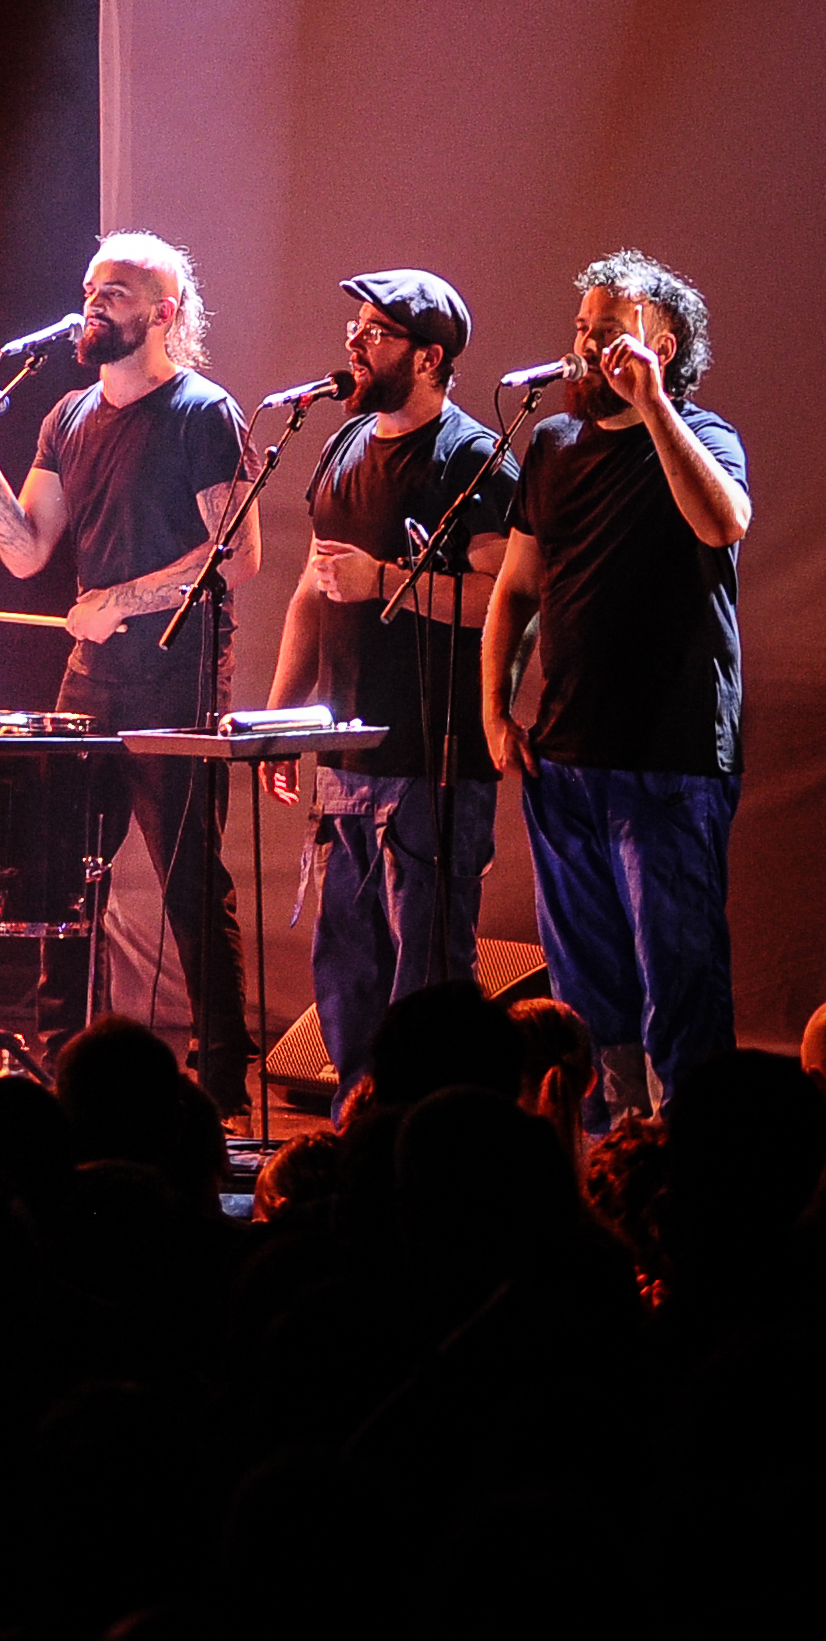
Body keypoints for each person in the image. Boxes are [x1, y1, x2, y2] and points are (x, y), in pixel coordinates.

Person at [0, 231, 261, 1111]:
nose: (92, 303)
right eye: (89, 287)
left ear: (163, 313)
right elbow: (27, 550)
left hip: (173, 675)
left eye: (115, 292)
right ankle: (60, 1057)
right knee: (61, 872)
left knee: (190, 877)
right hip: (89, 677)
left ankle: (222, 1080)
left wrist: (122, 600)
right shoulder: (68, 415)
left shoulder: (201, 411)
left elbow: (234, 554)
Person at [481, 249, 750, 1124]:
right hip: (564, 759)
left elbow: (721, 522)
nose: (583, 348)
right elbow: (516, 590)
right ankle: (603, 1159)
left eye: (605, 333)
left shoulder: (705, 439)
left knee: (678, 979)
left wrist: (654, 407)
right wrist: (494, 707)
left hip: (668, 760)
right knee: (585, 990)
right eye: (579, 330)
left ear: (659, 346)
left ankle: (690, 1166)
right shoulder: (553, 443)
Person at [265, 269, 515, 1099]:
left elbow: (504, 601)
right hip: (345, 753)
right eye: (354, 330)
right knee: (346, 965)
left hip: (429, 758)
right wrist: (279, 720)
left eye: (374, 333)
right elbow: (311, 582)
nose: (353, 345)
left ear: (429, 355)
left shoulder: (471, 459)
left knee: (427, 970)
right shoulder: (341, 444)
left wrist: (385, 583)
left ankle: (428, 1128)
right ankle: (358, 1123)